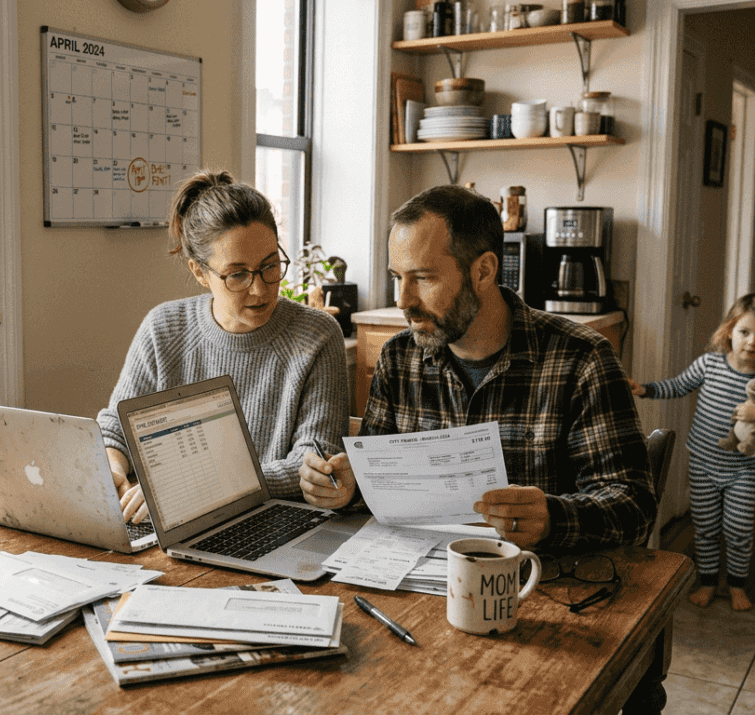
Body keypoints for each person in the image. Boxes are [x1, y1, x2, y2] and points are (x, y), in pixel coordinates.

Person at [299, 184, 656, 552]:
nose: (402, 300)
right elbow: (379, 488)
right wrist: (347, 486)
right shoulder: (398, 359)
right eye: (396, 277)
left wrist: (552, 518)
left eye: (423, 278)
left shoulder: (582, 358)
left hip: (536, 582)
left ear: (483, 272)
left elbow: (634, 507)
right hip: (415, 576)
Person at [97, 170, 349, 523]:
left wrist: (199, 488)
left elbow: (313, 463)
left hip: (270, 524)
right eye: (237, 275)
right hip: (164, 522)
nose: (260, 289)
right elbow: (118, 424)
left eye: (270, 266)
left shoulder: (317, 335)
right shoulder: (163, 327)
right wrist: (112, 465)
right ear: (200, 273)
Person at [628, 293, 755, 611]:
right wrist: (644, 389)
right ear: (730, 329)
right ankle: (706, 582)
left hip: (741, 468)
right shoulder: (710, 364)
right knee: (704, 526)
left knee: (738, 527)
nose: (751, 342)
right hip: (702, 463)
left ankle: (736, 585)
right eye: (744, 332)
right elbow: (677, 385)